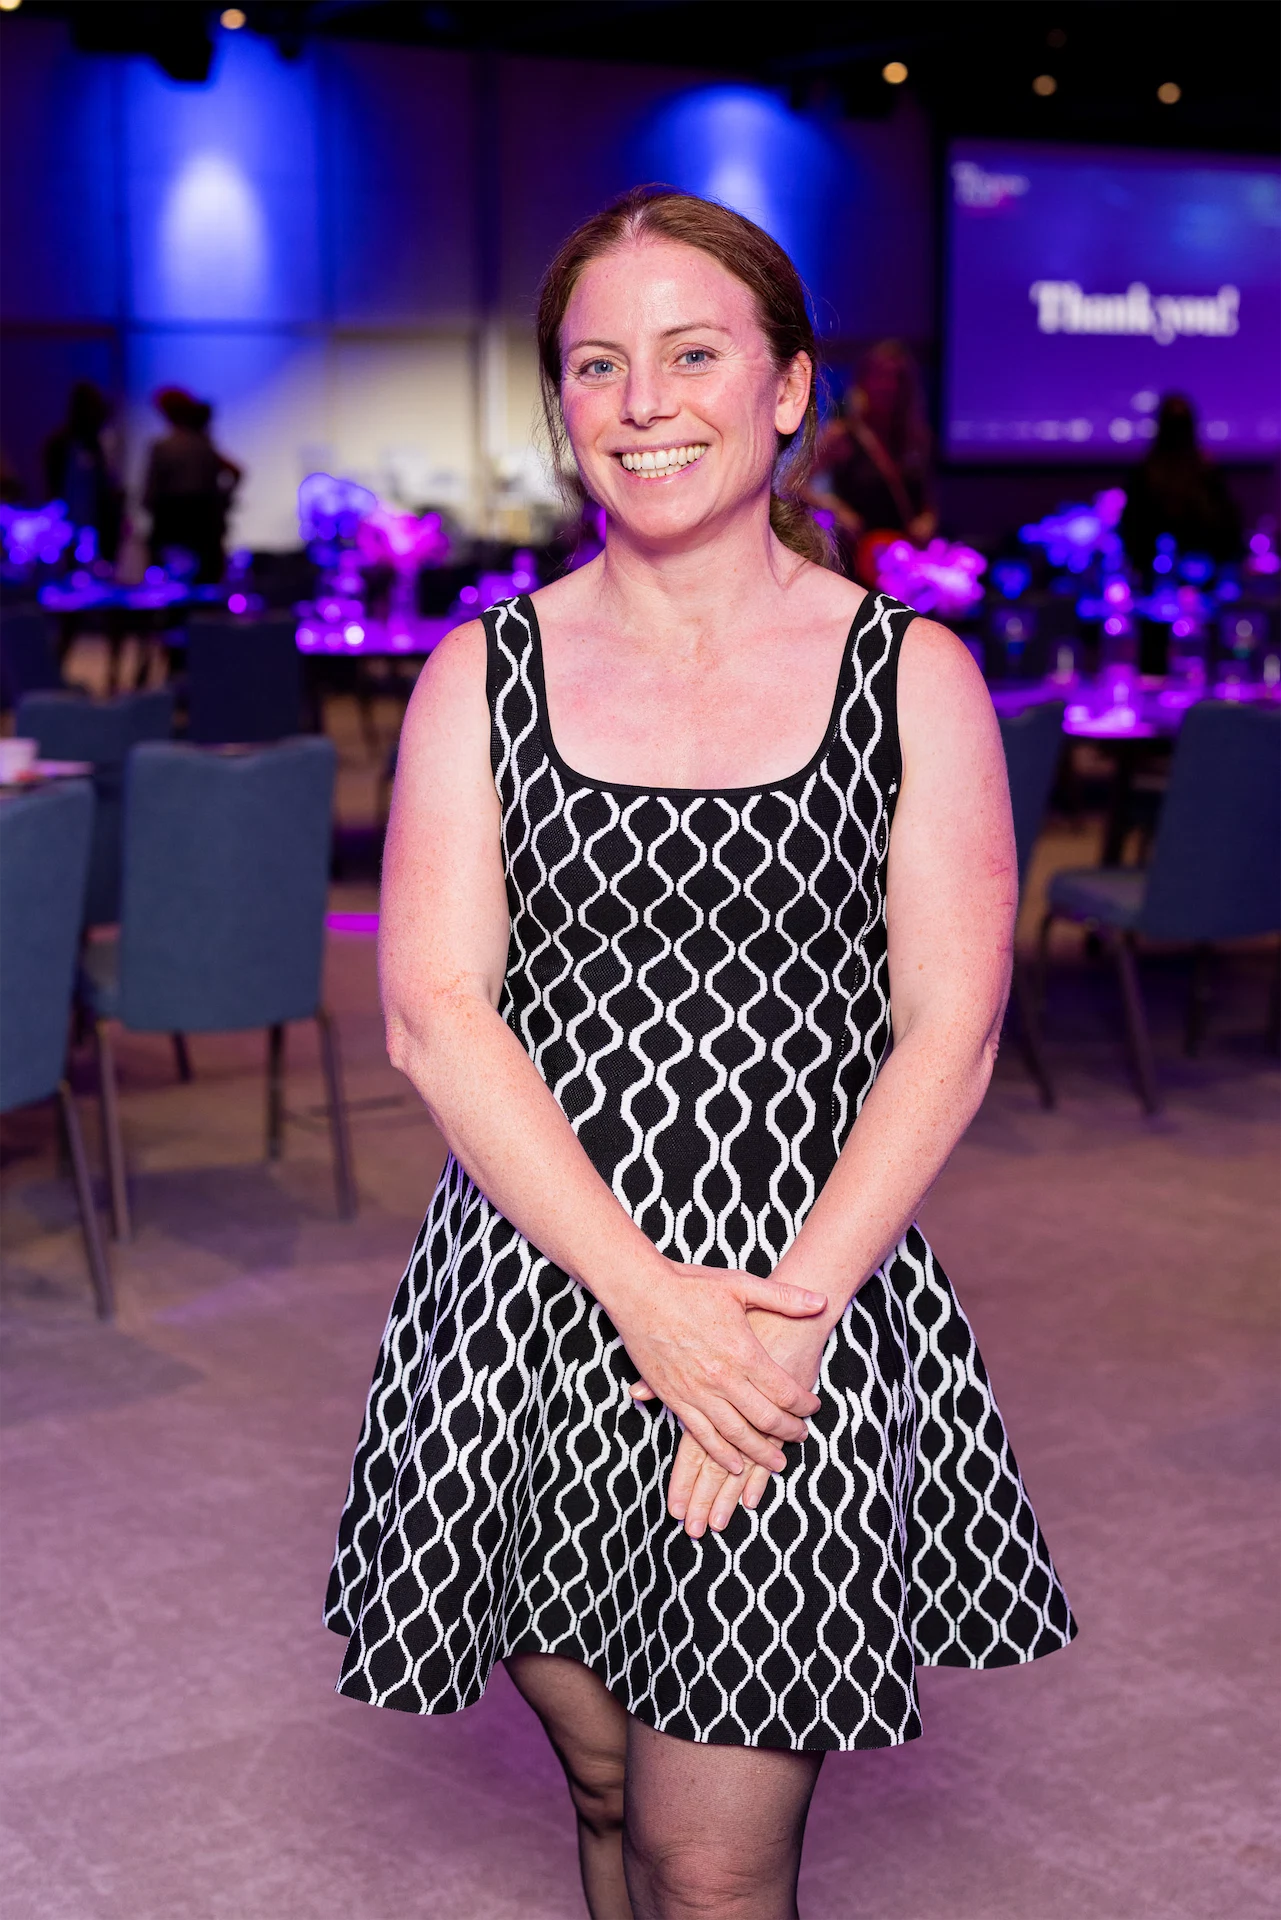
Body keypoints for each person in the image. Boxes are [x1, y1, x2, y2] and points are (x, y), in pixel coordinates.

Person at [325, 187, 1074, 1920]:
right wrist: (644, 1300)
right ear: (560, 404)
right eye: (597, 364)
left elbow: (949, 1032)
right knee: (604, 1787)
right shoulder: (479, 676)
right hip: (527, 1303)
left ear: (790, 387)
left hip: (797, 1304)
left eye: (691, 353)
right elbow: (436, 1012)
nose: (642, 401)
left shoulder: (910, 677)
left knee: (711, 1864)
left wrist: (772, 1330)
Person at [804, 339, 936, 584]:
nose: (889, 386)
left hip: (907, 563)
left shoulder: (916, 438)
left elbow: (926, 500)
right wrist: (836, 508)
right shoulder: (843, 435)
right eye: (880, 376)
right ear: (863, 381)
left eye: (897, 378)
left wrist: (927, 521)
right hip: (862, 561)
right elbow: (795, 483)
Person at [1119, 391, 1243, 579]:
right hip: (1155, 577)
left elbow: (1226, 528)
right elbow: (1134, 528)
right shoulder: (1146, 472)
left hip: (1203, 573)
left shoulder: (1206, 471)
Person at [143, 387, 241, 582]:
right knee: (206, 581)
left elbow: (151, 490)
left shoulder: (164, 447)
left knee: (169, 581)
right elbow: (236, 472)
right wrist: (223, 501)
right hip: (204, 522)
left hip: (172, 521)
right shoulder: (203, 444)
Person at [43, 380, 125, 563]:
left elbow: (105, 482)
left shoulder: (96, 444)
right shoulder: (62, 443)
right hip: (66, 516)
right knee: (68, 559)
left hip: (95, 518)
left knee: (92, 561)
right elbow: (53, 481)